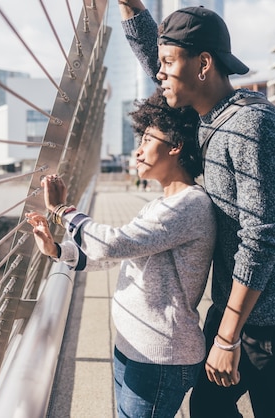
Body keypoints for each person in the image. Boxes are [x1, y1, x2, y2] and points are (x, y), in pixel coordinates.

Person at [117, 2, 275, 418]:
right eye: (159, 63)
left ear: (203, 64)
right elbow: (157, 62)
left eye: (168, 62)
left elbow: (263, 236)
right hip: (236, 304)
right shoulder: (206, 115)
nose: (159, 73)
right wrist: (131, 8)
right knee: (208, 409)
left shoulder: (253, 124)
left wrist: (227, 337)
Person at [26, 90, 217, 418]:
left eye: (147, 139)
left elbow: (112, 243)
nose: (138, 150)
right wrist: (58, 250)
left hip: (160, 358)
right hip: (133, 347)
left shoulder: (191, 205)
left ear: (175, 146)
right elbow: (115, 254)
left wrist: (62, 210)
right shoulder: (161, 204)